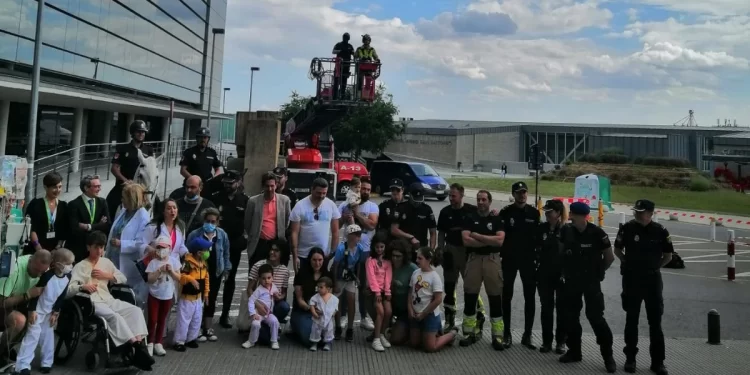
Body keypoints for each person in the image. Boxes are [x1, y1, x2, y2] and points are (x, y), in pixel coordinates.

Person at [68, 231, 153, 370]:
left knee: (135, 311)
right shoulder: (80, 266)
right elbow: (69, 289)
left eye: (101, 247)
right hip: (92, 302)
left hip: (108, 298)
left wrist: (107, 275)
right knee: (115, 317)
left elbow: (123, 278)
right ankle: (136, 347)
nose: (99, 251)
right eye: (96, 247)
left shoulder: (106, 262)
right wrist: (83, 286)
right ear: (88, 247)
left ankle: (139, 347)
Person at [614, 199, 673, 375]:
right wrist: (626, 262)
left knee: (655, 322)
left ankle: (658, 362)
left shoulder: (660, 231)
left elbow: (668, 255)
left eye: (641, 212)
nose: (637, 214)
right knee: (631, 319)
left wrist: (655, 268)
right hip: (632, 279)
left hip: (652, 281)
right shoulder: (627, 228)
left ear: (650, 213)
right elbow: (617, 249)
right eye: (636, 211)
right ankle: (630, 359)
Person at [559, 202, 616, 373]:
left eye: (573, 215)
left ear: (583, 216)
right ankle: (574, 351)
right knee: (571, 317)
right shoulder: (566, 231)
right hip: (572, 281)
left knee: (596, 318)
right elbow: (561, 253)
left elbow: (609, 257)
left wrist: (599, 272)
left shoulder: (597, 233)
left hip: (591, 282)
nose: (570, 217)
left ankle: (608, 356)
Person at [13, 249, 72, 375]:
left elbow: (62, 295)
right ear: (58, 264)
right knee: (32, 336)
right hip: (38, 310)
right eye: (68, 264)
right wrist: (32, 310)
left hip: (49, 312)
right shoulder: (47, 276)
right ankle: (22, 365)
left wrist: (56, 311)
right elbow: (36, 294)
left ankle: (47, 362)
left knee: (48, 337)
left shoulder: (68, 277)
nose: (70, 267)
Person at [460, 190, 506, 350]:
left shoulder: (496, 218)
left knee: (495, 298)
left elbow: (500, 241)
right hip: (474, 260)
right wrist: (488, 241)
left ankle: (497, 335)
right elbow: (466, 241)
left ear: (490, 201)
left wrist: (478, 236)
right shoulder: (469, 218)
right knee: (470, 296)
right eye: (478, 199)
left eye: (484, 199)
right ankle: (468, 332)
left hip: (492, 260)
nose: (480, 202)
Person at [437, 183, 485, 331]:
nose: (451, 198)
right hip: (450, 251)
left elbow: (485, 217)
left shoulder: (471, 211)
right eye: (450, 195)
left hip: (467, 252)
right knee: (449, 286)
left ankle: (479, 314)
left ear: (462, 195)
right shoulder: (445, 212)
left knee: (470, 286)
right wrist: (440, 249)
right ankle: (449, 319)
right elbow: (441, 233)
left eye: (454, 196)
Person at [498, 181, 540, 348]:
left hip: (528, 260)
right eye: (518, 192)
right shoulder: (506, 212)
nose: (522, 195)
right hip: (509, 258)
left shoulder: (534, 213)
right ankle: (506, 332)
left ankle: (527, 334)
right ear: (513, 194)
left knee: (529, 297)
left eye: (524, 192)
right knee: (506, 296)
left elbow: (537, 237)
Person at [338, 176, 378, 332]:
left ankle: (364, 317)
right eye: (363, 188)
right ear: (357, 188)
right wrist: (345, 216)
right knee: (343, 283)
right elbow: (337, 225)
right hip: (348, 250)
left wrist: (357, 214)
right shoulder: (344, 204)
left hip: (365, 251)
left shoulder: (373, 207)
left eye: (368, 189)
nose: (366, 192)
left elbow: (371, 225)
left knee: (362, 285)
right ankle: (342, 316)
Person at [212, 170, 250, 328]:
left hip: (234, 245)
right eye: (225, 183)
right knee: (214, 280)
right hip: (217, 244)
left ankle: (225, 315)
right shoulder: (216, 198)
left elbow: (248, 223)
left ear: (239, 182)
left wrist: (245, 240)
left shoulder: (245, 200)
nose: (227, 185)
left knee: (230, 279)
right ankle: (208, 314)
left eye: (231, 183)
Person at [186, 208, 231, 343]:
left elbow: (226, 253)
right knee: (197, 300)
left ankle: (208, 328)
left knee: (211, 300)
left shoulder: (222, 235)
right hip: (198, 273)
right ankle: (196, 329)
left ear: (217, 222)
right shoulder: (195, 234)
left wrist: (227, 269)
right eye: (207, 221)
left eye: (213, 221)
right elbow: (187, 252)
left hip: (215, 273)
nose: (210, 223)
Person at [0, 250, 52, 360]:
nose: (38, 275)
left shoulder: (43, 269)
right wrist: (27, 296)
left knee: (35, 320)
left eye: (41, 272)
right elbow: (2, 303)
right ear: (30, 261)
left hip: (18, 302)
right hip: (4, 303)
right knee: (19, 321)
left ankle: (8, 347)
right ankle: (1, 350)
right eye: (36, 270)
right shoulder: (14, 270)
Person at [105, 182, 151, 307]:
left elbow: (141, 243)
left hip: (128, 261)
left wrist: (122, 243)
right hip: (114, 256)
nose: (121, 200)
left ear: (132, 199)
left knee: (126, 294)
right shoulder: (124, 211)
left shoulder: (143, 217)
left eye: (124, 197)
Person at [239, 241, 291, 341]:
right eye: (271, 249)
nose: (272, 252)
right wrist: (257, 304)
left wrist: (280, 297)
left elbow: (284, 292)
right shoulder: (258, 265)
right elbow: (249, 289)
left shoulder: (285, 271)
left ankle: (272, 326)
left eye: (276, 250)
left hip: (273, 305)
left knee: (284, 307)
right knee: (264, 338)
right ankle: (256, 328)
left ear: (282, 253)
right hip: (257, 303)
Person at [409, 247, 457, 352]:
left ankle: (451, 334)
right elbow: (410, 292)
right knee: (414, 343)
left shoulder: (434, 277)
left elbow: (438, 299)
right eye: (417, 258)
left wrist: (424, 314)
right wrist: (410, 309)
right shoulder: (415, 273)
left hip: (429, 315)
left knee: (430, 347)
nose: (416, 260)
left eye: (420, 258)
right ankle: (431, 333)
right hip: (416, 313)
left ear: (429, 260)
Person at [290, 178, 341, 273]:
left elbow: (335, 231)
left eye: (324, 193)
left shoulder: (331, 205)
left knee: (322, 286)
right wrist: (295, 256)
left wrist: (332, 252)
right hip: (303, 255)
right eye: (318, 193)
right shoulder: (300, 206)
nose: (321, 196)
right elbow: (294, 233)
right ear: (312, 189)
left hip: (322, 256)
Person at [107, 120, 155, 220]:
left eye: (143, 132)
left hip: (142, 188)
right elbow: (114, 169)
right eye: (138, 132)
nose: (141, 134)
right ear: (132, 133)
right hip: (124, 186)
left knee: (157, 205)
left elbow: (152, 168)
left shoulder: (149, 149)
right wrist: (126, 181)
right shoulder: (123, 148)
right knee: (110, 203)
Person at [537, 199, 567, 354]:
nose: (547, 214)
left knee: (562, 309)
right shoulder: (541, 228)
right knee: (546, 308)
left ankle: (561, 342)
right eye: (546, 211)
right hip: (544, 274)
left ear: (558, 213)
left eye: (550, 212)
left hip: (561, 275)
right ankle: (546, 341)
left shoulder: (566, 230)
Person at [245, 172, 291, 269]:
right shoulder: (253, 201)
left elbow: (286, 221)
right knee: (255, 274)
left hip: (276, 243)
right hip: (258, 243)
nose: (270, 189)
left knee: (275, 275)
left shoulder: (284, 200)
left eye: (272, 186)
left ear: (276, 185)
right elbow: (248, 223)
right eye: (267, 186)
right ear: (263, 186)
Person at [145, 236, 181, 357]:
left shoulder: (174, 261)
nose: (161, 250)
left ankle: (158, 342)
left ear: (169, 248)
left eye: (164, 247)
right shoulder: (153, 263)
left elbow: (179, 278)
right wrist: (159, 271)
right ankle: (150, 342)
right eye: (159, 248)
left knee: (162, 319)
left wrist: (171, 271)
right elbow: (149, 279)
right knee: (153, 319)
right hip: (154, 295)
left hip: (167, 295)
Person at [174, 237, 212, 352]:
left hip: (198, 298)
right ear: (198, 252)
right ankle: (179, 341)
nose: (207, 252)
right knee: (184, 320)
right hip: (187, 297)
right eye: (205, 250)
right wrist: (191, 279)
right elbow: (182, 277)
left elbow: (206, 278)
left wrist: (206, 293)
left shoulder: (203, 263)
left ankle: (191, 338)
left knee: (196, 319)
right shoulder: (188, 263)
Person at [289, 247, 332, 347]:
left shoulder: (328, 275)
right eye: (314, 260)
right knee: (308, 340)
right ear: (309, 260)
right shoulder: (301, 274)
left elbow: (329, 298)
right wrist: (311, 309)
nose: (317, 263)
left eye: (320, 260)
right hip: (303, 311)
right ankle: (295, 327)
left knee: (324, 334)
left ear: (323, 260)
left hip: (321, 313)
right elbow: (300, 300)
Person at [332, 224, 365, 342]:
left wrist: (357, 277)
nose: (357, 237)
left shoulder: (360, 248)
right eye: (355, 234)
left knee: (351, 300)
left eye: (359, 235)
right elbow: (335, 266)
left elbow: (359, 264)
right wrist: (335, 282)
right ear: (349, 236)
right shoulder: (341, 248)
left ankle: (350, 328)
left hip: (350, 277)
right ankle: (338, 327)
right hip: (340, 277)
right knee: (338, 302)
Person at [67, 175, 110, 262]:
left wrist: (88, 227)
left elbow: (107, 224)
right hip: (80, 249)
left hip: (97, 249)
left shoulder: (102, 202)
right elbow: (74, 228)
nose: (99, 189)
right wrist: (99, 225)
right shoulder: (73, 204)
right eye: (96, 186)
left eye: (99, 186)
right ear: (86, 188)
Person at [391, 183, 437, 260]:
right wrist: (410, 237)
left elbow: (433, 232)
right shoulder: (401, 208)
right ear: (409, 195)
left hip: (421, 250)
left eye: (419, 199)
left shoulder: (427, 209)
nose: (417, 203)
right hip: (404, 249)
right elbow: (394, 230)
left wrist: (431, 250)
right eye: (415, 199)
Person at [25, 172, 67, 254]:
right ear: (45, 187)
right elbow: (31, 228)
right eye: (54, 187)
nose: (58, 190)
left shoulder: (63, 206)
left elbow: (64, 229)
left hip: (55, 249)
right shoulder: (35, 204)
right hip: (36, 248)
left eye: (60, 187)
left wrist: (58, 247)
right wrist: (38, 248)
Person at [142, 199, 189, 272]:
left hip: (174, 268)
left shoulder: (180, 226)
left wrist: (187, 254)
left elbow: (181, 246)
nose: (172, 210)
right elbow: (140, 244)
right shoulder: (153, 227)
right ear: (163, 211)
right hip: (156, 266)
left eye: (174, 208)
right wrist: (149, 249)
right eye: (169, 208)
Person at [384, 240, 416, 346]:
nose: (395, 259)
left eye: (398, 256)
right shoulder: (387, 265)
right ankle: (381, 327)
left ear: (404, 256)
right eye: (393, 255)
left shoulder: (413, 269)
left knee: (396, 340)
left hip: (406, 309)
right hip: (390, 303)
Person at [243, 264, 281, 350]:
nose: (266, 281)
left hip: (268, 313)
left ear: (272, 277)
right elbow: (251, 300)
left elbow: (276, 293)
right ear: (259, 279)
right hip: (258, 313)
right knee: (255, 324)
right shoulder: (259, 290)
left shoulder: (273, 286)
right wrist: (253, 313)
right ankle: (251, 341)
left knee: (274, 321)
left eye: (269, 278)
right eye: (263, 278)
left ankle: (274, 341)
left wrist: (276, 294)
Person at [366, 234, 392, 352]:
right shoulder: (370, 261)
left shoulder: (387, 262)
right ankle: (376, 339)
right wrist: (377, 292)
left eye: (382, 247)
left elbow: (388, 277)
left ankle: (381, 334)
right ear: (373, 247)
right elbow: (371, 277)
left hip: (383, 292)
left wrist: (387, 291)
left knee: (388, 311)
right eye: (377, 247)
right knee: (380, 312)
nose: (379, 249)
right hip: (374, 292)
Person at [308, 276, 338, 352]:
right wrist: (314, 312)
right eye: (318, 287)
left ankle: (327, 343)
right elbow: (311, 305)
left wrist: (332, 314)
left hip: (328, 318)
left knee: (329, 330)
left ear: (328, 288)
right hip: (318, 318)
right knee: (315, 330)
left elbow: (335, 308)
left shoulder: (333, 298)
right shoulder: (316, 297)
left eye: (321, 287)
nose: (319, 289)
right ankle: (315, 343)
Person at [332, 32, 355, 100]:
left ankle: (342, 96)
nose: (345, 38)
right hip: (339, 65)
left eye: (347, 37)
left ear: (349, 38)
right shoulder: (339, 44)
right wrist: (339, 51)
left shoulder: (350, 46)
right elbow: (333, 51)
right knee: (336, 80)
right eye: (344, 36)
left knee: (344, 81)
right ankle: (335, 96)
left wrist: (355, 55)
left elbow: (354, 54)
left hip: (347, 65)